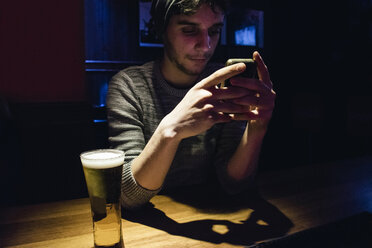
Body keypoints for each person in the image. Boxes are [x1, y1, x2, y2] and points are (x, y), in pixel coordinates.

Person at [106, 0, 276, 209]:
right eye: (189, 30)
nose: (205, 45)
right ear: (162, 29)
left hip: (211, 218)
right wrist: (172, 129)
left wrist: (257, 127)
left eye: (214, 30)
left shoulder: (223, 84)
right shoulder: (129, 85)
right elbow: (129, 196)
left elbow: (234, 184)